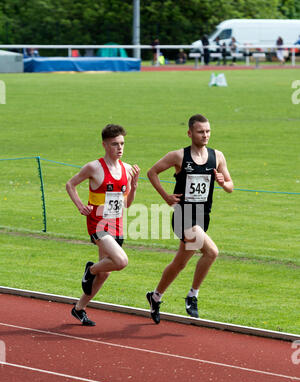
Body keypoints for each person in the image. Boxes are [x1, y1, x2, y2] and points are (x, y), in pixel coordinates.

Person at [146, 114, 233, 324]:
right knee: (212, 252)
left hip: (203, 217)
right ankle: (193, 295)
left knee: (179, 263)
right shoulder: (178, 156)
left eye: (208, 131)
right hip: (183, 216)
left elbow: (230, 186)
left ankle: (155, 296)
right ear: (190, 133)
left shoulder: (217, 156)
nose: (205, 135)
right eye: (200, 131)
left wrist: (222, 182)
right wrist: (166, 196)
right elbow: (152, 172)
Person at [66, 124, 140, 326]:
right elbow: (70, 184)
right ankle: (90, 270)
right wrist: (80, 205)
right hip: (98, 224)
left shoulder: (127, 169)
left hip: (117, 224)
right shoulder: (94, 167)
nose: (120, 148)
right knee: (121, 261)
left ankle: (79, 308)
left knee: (105, 272)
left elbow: (126, 204)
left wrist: (133, 187)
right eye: (115, 144)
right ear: (105, 145)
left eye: (122, 143)